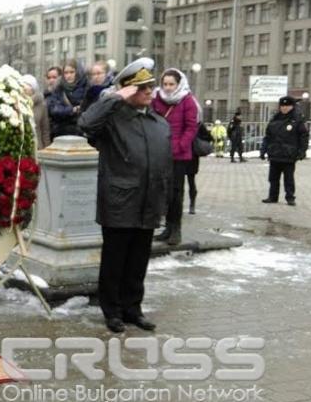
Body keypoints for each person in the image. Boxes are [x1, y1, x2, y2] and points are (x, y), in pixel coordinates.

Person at [78, 57, 171, 333]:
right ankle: (112, 311)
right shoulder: (112, 120)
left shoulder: (159, 123)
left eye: (150, 86)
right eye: (141, 87)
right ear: (128, 90)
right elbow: (85, 123)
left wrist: (164, 199)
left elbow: (164, 165)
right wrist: (115, 97)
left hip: (148, 201)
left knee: (138, 261)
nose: (149, 91)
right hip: (120, 202)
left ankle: (133, 308)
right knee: (114, 261)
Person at [150, 68, 199, 246]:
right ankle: (167, 228)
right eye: (165, 84)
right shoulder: (156, 99)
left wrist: (180, 146)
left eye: (172, 84)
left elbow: (191, 127)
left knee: (175, 193)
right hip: (160, 152)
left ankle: (176, 229)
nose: (168, 87)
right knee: (163, 192)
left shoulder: (187, 100)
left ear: (179, 84)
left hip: (179, 155)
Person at [260, 96, 309, 206]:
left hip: (289, 155)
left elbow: (303, 137)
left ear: (292, 106)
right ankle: (272, 197)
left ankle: (290, 197)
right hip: (274, 153)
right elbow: (268, 136)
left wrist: (302, 151)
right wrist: (263, 149)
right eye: (282, 106)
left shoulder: (297, 119)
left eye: (287, 106)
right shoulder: (275, 119)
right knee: (273, 178)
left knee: (289, 179)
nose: (284, 108)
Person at [46, 59, 88, 139]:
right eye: (66, 73)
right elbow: (54, 109)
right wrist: (72, 110)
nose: (68, 76)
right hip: (62, 133)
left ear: (78, 72)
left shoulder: (87, 88)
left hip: (82, 134)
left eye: (72, 72)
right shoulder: (58, 88)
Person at [187, 122, 212, 214]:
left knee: (190, 181)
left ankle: (192, 204)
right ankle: (182, 205)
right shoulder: (181, 122)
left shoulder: (199, 125)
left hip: (192, 156)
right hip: (182, 155)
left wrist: (197, 139)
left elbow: (209, 138)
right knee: (180, 183)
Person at [21, 74, 50, 148]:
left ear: (33, 89)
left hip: (36, 146)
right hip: (21, 145)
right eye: (23, 85)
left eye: (28, 85)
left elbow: (45, 129)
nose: (25, 87)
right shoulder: (17, 103)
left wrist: (46, 148)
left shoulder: (41, 104)